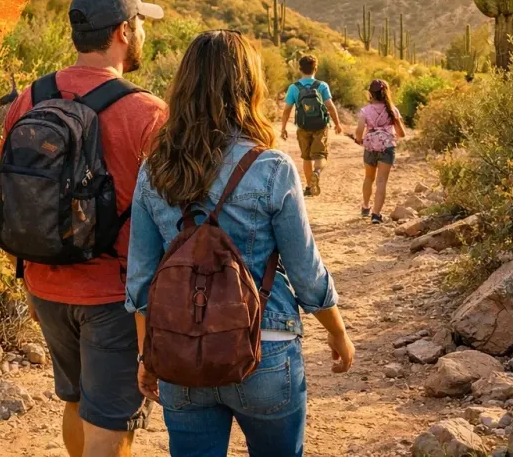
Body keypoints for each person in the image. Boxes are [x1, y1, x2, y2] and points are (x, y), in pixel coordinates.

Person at [126, 31, 354, 456]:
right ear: (249, 87)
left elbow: (140, 281)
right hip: (264, 349)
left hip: (180, 354)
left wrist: (147, 355)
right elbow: (306, 273)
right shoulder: (271, 168)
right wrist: (338, 333)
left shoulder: (154, 170)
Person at [1, 0, 170, 457]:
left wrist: (27, 281)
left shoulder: (29, 99)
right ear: (123, 31)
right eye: (140, 24)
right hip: (114, 297)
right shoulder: (147, 113)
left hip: (43, 283)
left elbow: (15, 194)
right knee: (112, 423)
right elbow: (169, 213)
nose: (143, 33)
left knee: (76, 400)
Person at [280, 54, 342, 197]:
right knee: (320, 155)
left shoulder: (294, 88)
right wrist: (337, 124)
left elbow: (287, 110)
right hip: (320, 126)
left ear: (300, 69)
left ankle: (309, 187)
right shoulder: (322, 86)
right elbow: (330, 107)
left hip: (303, 126)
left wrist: (283, 128)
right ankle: (317, 172)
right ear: (315, 68)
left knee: (306, 158)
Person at [353, 79, 406, 224]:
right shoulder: (393, 110)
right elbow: (401, 133)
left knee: (368, 178)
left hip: (370, 146)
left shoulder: (365, 111)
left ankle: (365, 206)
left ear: (370, 94)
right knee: (381, 181)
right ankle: (376, 215)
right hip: (387, 147)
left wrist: (359, 139)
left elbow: (359, 131)